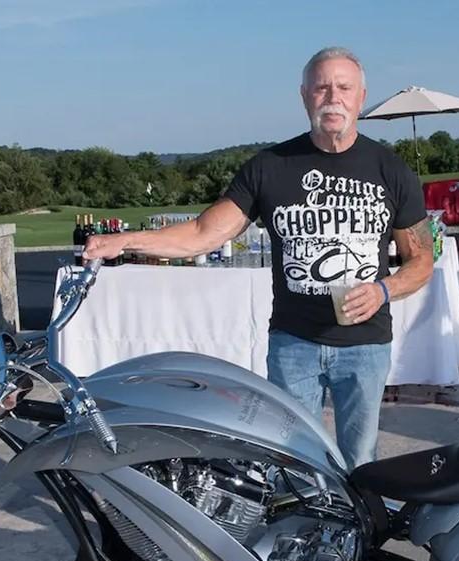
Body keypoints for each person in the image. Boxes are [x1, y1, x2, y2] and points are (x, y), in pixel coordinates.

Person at [84, 47, 434, 469]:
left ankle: (360, 533)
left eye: (344, 87)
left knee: (360, 458)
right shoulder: (270, 166)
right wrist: (125, 242)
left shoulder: (390, 169)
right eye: (321, 87)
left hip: (365, 344)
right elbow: (201, 234)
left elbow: (421, 260)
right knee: (291, 457)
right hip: (293, 345)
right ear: (304, 95)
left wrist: (383, 290)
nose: (332, 97)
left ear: (361, 96)